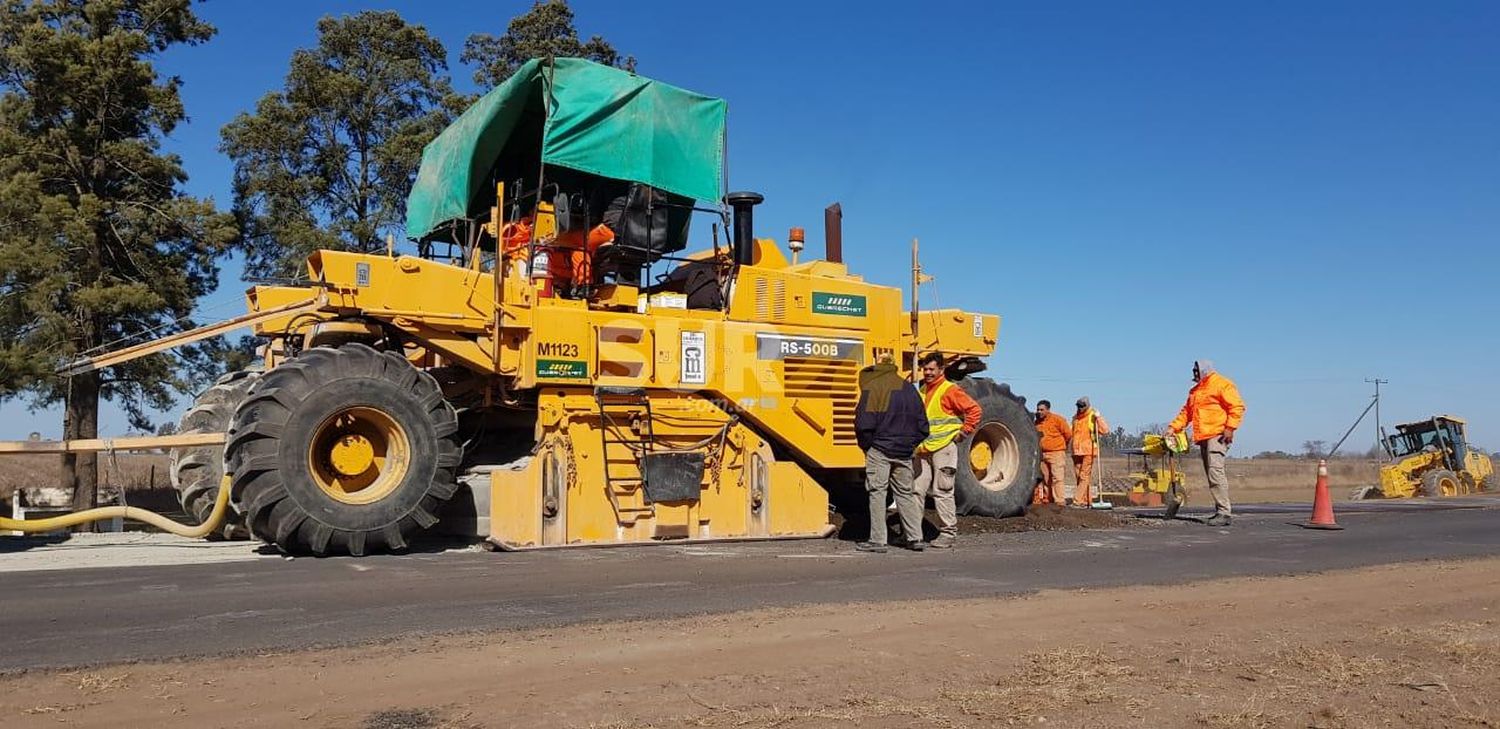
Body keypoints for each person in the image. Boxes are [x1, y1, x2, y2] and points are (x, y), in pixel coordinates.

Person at [853, 353, 928, 553]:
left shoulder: (873, 387)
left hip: (880, 449)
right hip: (904, 451)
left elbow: (863, 424)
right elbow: (923, 426)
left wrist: (868, 446)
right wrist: (909, 444)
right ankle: (915, 538)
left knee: (877, 492)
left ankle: (878, 540)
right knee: (905, 493)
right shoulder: (910, 391)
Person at [913, 352, 983, 549]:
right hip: (924, 448)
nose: (927, 373)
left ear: (940, 370)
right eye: (925, 369)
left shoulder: (949, 390)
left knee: (942, 490)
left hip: (943, 447)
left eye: (931, 369)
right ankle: (913, 534)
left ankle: (948, 532)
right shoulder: (924, 390)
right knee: (916, 490)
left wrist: (964, 433)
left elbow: (974, 410)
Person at [1167, 359, 1246, 526]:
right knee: (1211, 474)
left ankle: (1224, 513)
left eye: (1196, 370)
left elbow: (1237, 407)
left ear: (1204, 370)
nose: (1194, 373)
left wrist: (1230, 428)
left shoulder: (1221, 384)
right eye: (1193, 370)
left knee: (1215, 472)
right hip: (1203, 437)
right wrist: (1173, 428)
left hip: (1218, 435)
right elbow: (1186, 413)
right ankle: (1220, 511)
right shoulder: (1196, 391)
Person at [1070, 397, 1109, 507]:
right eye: (1078, 406)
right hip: (1076, 451)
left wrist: (1099, 417)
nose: (1080, 408)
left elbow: (1105, 430)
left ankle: (1077, 501)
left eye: (1082, 406)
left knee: (1084, 476)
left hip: (1088, 450)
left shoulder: (1093, 416)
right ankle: (1086, 501)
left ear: (1086, 406)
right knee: (1079, 477)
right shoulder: (1075, 418)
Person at [1034, 400, 1071, 505]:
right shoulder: (1037, 422)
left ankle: (1059, 500)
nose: (1039, 412)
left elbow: (1068, 434)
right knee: (1046, 478)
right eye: (1038, 409)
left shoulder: (1057, 419)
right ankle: (1048, 499)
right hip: (1042, 454)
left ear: (1048, 410)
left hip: (1056, 453)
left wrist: (1061, 446)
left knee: (1057, 477)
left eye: (1042, 410)